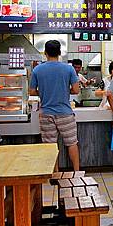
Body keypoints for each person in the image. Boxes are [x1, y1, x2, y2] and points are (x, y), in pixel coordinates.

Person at [30, 40, 81, 171]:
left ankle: (55, 173)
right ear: (59, 53)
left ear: (45, 53)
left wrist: (44, 91)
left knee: (50, 146)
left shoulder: (37, 70)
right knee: (72, 143)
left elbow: (32, 91)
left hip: (46, 113)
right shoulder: (69, 68)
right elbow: (76, 90)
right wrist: (64, 89)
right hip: (65, 113)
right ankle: (77, 172)